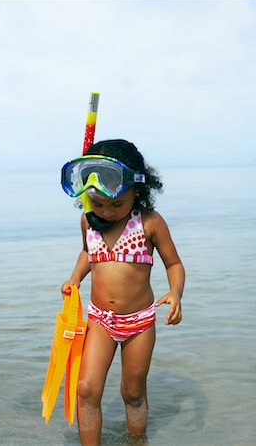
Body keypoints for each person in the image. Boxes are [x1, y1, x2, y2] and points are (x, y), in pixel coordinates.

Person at [61, 139, 185, 446]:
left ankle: (137, 441)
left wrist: (175, 293)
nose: (107, 211)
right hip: (100, 320)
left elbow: (174, 263)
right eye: (97, 203)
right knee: (86, 389)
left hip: (139, 324)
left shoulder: (150, 223)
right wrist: (75, 278)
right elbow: (87, 253)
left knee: (132, 391)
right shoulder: (88, 222)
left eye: (116, 204)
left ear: (137, 190)